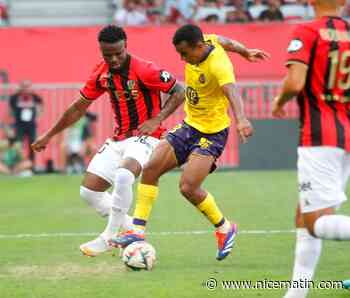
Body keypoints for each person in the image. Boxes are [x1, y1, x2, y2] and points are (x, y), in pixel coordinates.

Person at [113, 24, 269, 261]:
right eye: (179, 54)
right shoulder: (205, 40)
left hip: (212, 133)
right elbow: (225, 40)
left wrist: (242, 119)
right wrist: (245, 50)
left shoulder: (219, 64)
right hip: (190, 125)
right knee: (151, 168)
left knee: (188, 187)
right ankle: (137, 231)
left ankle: (225, 228)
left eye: (185, 54)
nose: (182, 59)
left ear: (198, 47)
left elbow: (232, 91)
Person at [31, 25, 185, 257]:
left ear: (126, 47)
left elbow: (180, 91)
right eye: (107, 55)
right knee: (89, 192)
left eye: (118, 53)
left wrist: (157, 119)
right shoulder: (101, 73)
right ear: (101, 51)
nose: (113, 59)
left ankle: (109, 236)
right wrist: (49, 134)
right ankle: (131, 228)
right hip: (119, 138)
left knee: (124, 175)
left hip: (146, 136)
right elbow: (78, 108)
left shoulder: (145, 69)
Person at [272, 0, 350, 296]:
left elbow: (295, 82)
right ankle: (296, 294)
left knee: (316, 222)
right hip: (346, 134)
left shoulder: (307, 31)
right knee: (303, 214)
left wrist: (279, 101)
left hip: (320, 136)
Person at [9, 80, 43, 167]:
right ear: (20, 88)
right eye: (24, 86)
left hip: (31, 126)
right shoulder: (15, 98)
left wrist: (37, 116)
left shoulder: (35, 98)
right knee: (18, 145)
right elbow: (10, 111)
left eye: (28, 86)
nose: (26, 89)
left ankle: (31, 166)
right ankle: (17, 166)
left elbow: (40, 108)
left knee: (33, 145)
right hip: (19, 125)